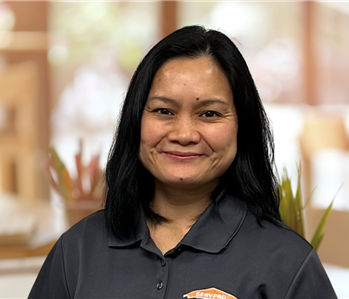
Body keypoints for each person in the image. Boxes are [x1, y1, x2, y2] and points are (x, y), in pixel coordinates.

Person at [29, 25, 337, 299]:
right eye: (164, 111)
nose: (184, 134)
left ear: (242, 127)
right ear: (135, 120)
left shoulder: (288, 262)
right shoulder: (78, 250)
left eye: (210, 114)